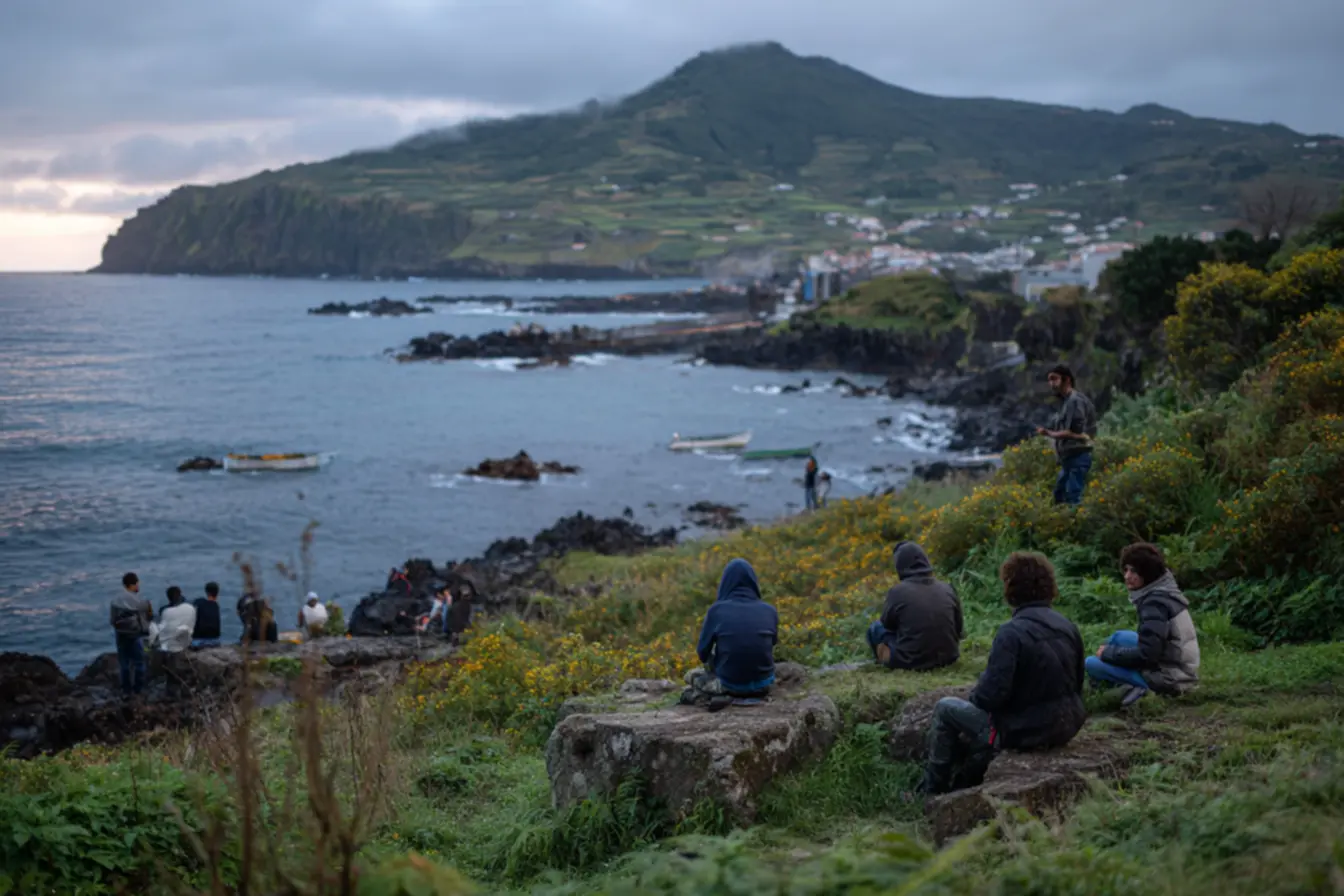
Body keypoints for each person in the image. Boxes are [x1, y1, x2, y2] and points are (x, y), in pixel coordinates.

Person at [921, 552, 1086, 795]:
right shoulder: (1067, 625)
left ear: (1011, 587)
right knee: (984, 736)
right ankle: (966, 779)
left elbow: (990, 697)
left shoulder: (1011, 632)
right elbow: (1079, 682)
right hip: (1068, 724)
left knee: (946, 708)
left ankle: (932, 790)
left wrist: (978, 691)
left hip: (1027, 730)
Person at [1086, 542, 1200, 706]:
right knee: (1119, 636)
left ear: (1147, 572)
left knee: (1091, 663)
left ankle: (1135, 687)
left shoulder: (1154, 604)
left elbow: (1148, 654)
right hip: (1178, 662)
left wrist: (1109, 654)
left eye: (1133, 571)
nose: (1126, 576)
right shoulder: (1164, 590)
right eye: (1125, 569)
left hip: (1174, 678)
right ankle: (1111, 684)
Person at [681, 558, 779, 711]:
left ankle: (712, 696)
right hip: (764, 684)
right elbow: (772, 643)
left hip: (730, 684)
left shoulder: (717, 611)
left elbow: (702, 653)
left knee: (690, 675)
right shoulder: (769, 611)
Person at [867, 542, 963, 671]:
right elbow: (959, 628)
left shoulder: (898, 591)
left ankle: (886, 659)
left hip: (910, 661)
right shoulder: (947, 588)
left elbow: (888, 625)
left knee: (875, 628)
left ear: (900, 566)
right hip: (949, 657)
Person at [1035, 364, 1097, 506]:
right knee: (1059, 495)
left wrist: (1049, 433)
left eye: (1054, 379)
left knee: (1073, 496)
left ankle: (1077, 524)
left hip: (1078, 457)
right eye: (1049, 380)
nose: (1051, 383)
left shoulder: (1075, 401)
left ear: (1067, 379)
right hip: (1068, 460)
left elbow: (1075, 432)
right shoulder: (1067, 401)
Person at [109, 572, 152, 696]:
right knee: (139, 662)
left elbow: (112, 620)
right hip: (135, 634)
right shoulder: (141, 602)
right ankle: (138, 689)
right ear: (135, 584)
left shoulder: (115, 601)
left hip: (120, 634)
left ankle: (126, 690)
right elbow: (148, 619)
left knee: (124, 663)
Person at [151, 586, 196, 654]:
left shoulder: (164, 610)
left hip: (170, 643)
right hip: (185, 640)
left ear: (168, 598)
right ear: (180, 595)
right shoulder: (189, 606)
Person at [191, 581, 222, 648]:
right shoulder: (216, 606)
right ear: (217, 592)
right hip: (215, 641)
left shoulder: (199, 603)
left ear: (207, 592)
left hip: (198, 641)